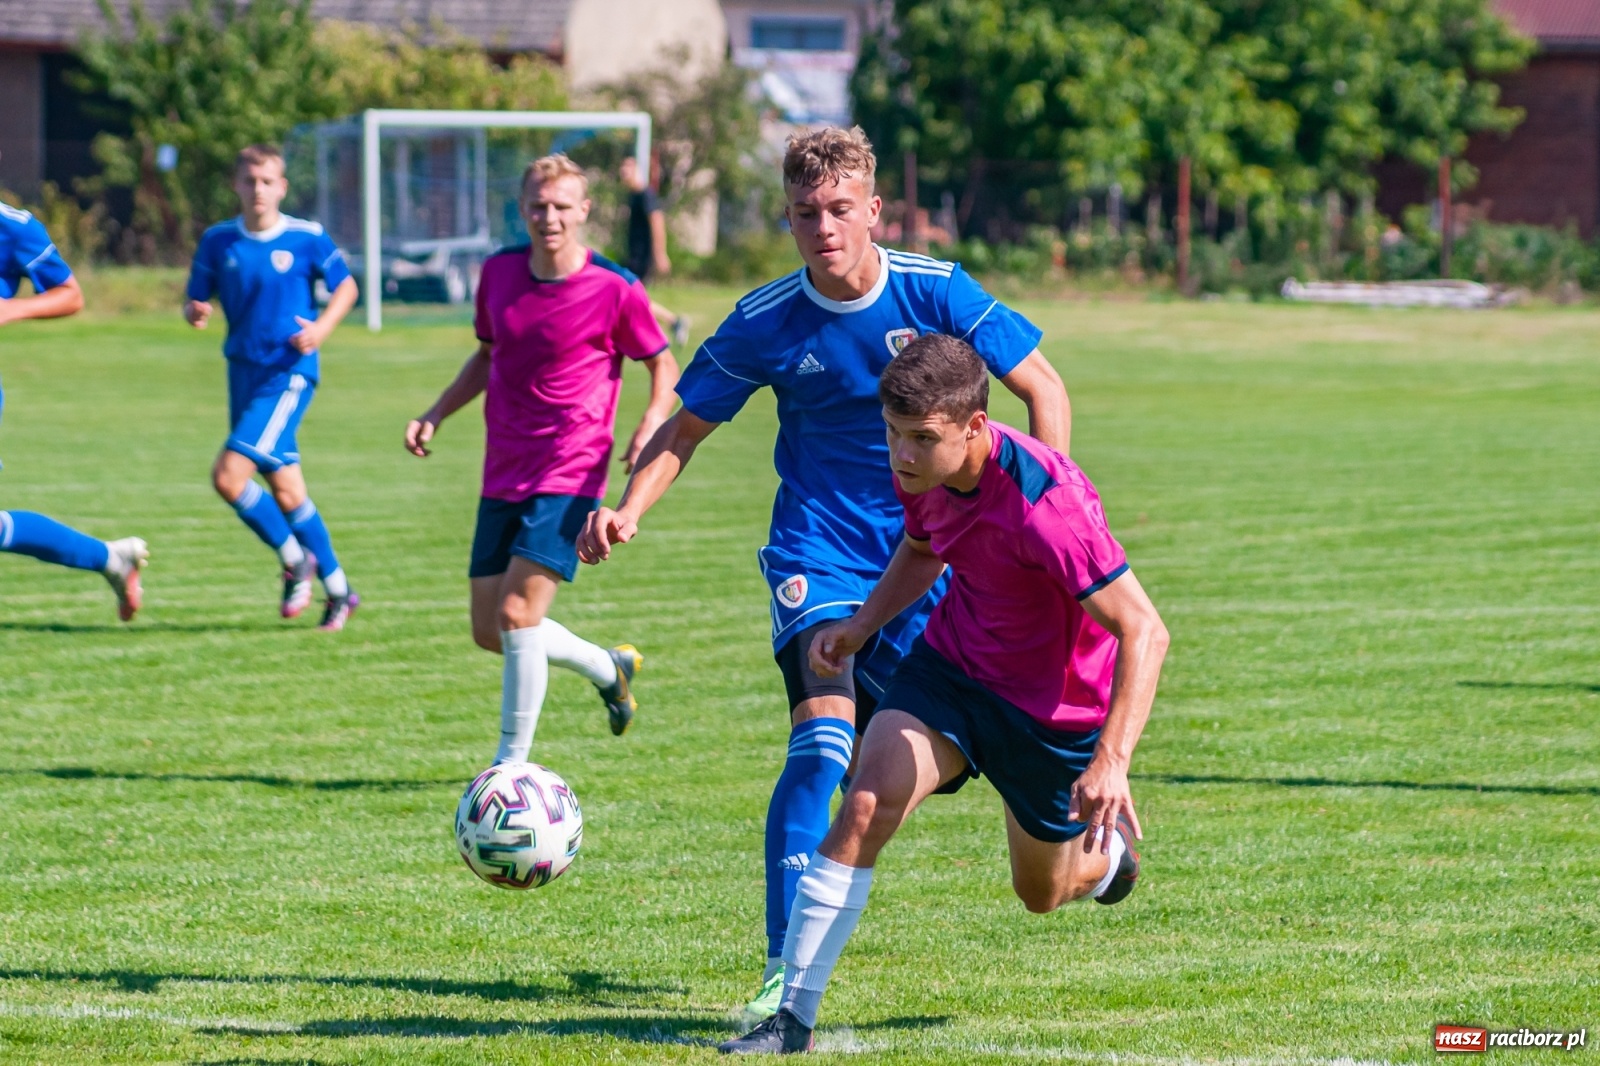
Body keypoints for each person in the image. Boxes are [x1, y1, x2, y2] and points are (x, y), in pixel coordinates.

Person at [578, 126, 1072, 1017]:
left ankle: (1091, 858)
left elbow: (1045, 388)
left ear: (874, 209)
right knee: (822, 743)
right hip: (820, 557)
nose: (824, 227)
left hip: (939, 563)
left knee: (963, 796)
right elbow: (685, 429)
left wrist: (1041, 510)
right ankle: (782, 980)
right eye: (806, 213)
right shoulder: (767, 319)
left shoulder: (933, 289)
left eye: (841, 209)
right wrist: (629, 508)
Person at [719, 334, 1169, 1054]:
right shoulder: (923, 470)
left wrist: (1111, 760)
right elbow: (925, 547)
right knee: (866, 799)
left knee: (1041, 894)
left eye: (920, 439)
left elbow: (1145, 631)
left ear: (975, 429)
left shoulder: (1049, 508)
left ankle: (1109, 860)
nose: (901, 455)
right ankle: (791, 1018)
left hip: (1051, 713)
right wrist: (861, 627)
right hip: (953, 670)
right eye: (892, 434)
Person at [404, 153, 679, 763]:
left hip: (572, 470)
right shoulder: (499, 273)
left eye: (561, 206)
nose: (548, 217)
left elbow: (663, 363)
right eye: (537, 205)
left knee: (516, 611)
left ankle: (510, 771)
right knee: (490, 629)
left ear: (584, 211)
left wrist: (650, 422)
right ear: (522, 208)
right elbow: (485, 356)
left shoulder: (615, 288)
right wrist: (436, 412)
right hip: (504, 468)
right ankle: (609, 669)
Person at [184, 144, 362, 630]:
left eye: (267, 181)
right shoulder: (219, 241)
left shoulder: (306, 238)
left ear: (282, 187)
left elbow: (347, 286)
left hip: (289, 375)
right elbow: (196, 299)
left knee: (228, 477)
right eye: (249, 181)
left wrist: (321, 329)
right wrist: (195, 312)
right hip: (242, 373)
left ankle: (293, 558)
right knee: (287, 491)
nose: (258, 189)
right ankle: (341, 590)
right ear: (236, 185)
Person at [0, 197, 147, 618]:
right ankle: (111, 559)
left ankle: (109, 558)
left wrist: (11, 308)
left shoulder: (14, 228)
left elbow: (70, 295)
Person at [620, 156, 690, 348]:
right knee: (633, 295)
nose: (623, 171)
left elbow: (657, 221)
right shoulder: (633, 195)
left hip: (644, 257)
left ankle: (670, 325)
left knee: (631, 295)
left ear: (637, 169)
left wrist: (660, 254)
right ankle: (673, 322)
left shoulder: (645, 194)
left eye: (628, 167)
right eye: (622, 167)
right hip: (634, 255)